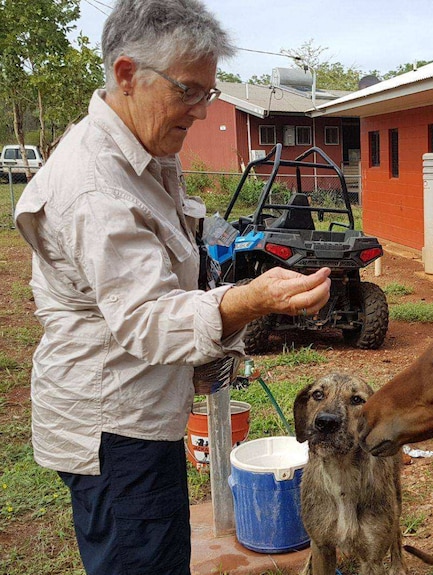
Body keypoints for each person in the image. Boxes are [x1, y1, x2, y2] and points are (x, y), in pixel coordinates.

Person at [13, 1, 331, 573]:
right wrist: (252, 300)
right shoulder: (96, 187)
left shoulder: (142, 153)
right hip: (112, 424)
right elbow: (148, 318)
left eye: (208, 93)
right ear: (127, 74)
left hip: (138, 409)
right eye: (189, 91)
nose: (203, 111)